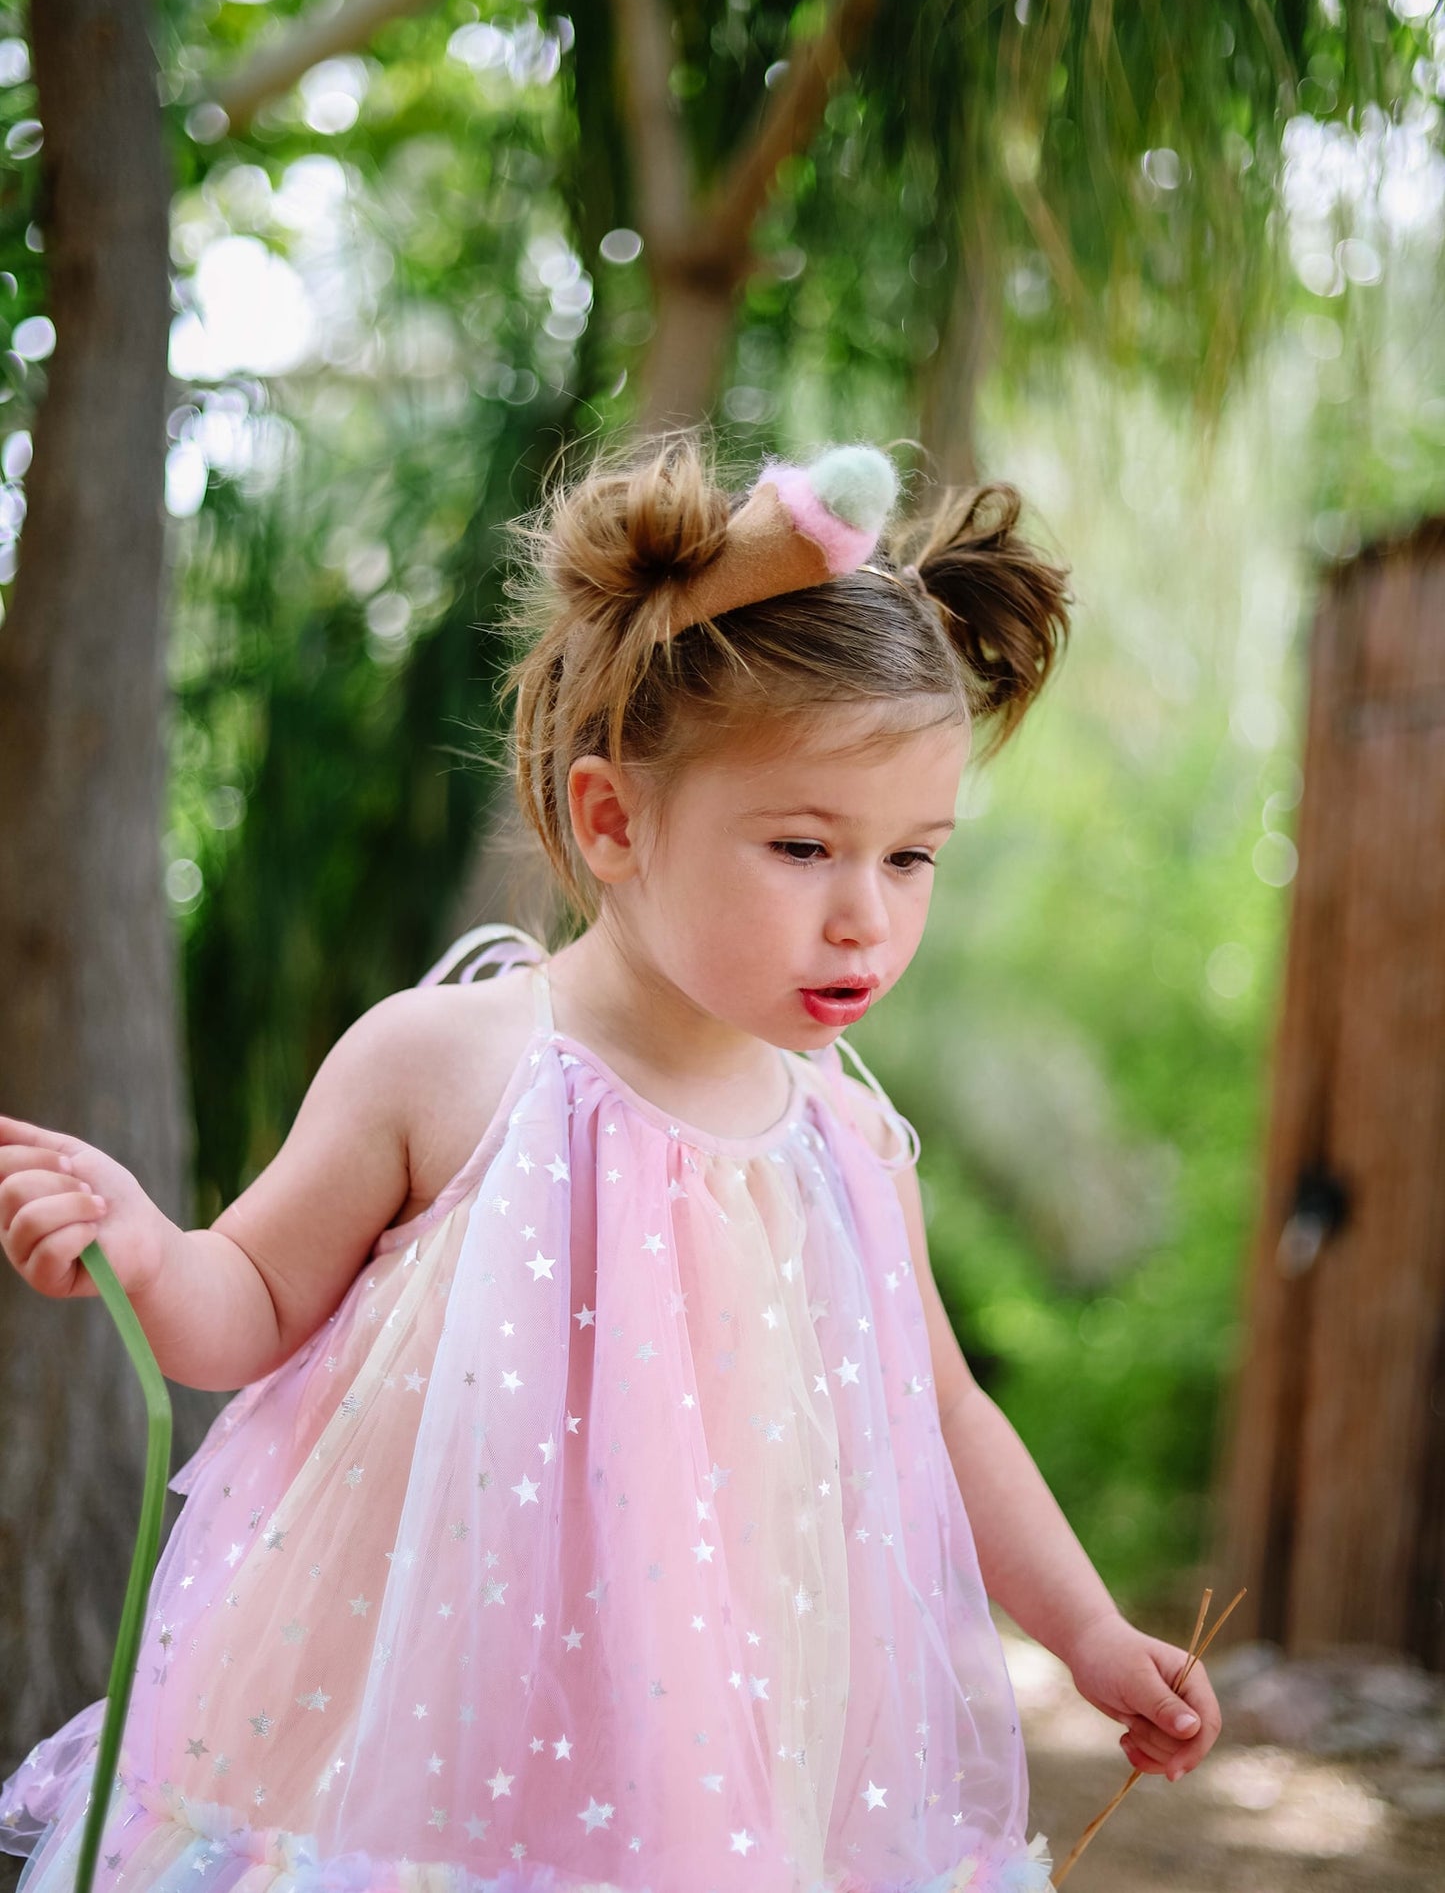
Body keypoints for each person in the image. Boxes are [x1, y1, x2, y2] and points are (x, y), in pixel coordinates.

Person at [0, 437, 1221, 1893]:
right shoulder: (449, 1063)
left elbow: (945, 1412)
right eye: (803, 847)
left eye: (911, 859)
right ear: (613, 818)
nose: (866, 919)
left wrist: (1087, 1632)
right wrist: (149, 1252)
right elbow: (250, 1302)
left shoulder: (842, 1140)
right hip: (417, 1741)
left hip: (698, 1763)